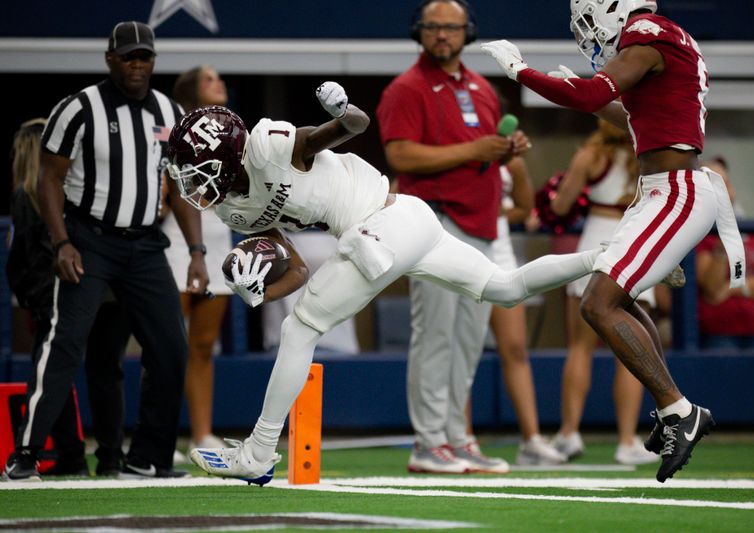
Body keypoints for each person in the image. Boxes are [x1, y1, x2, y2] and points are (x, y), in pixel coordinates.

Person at [168, 82, 602, 485]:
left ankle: (260, 451)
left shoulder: (269, 147)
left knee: (299, 330)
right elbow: (297, 270)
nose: (192, 182)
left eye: (197, 168)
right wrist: (258, 292)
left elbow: (353, 126)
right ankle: (605, 257)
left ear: (226, 154)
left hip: (380, 227)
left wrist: (342, 110)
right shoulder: (231, 209)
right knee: (504, 288)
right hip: (405, 223)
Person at [482, 1, 747, 482]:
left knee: (597, 304)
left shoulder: (646, 30)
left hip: (675, 191)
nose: (588, 32)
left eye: (589, 18)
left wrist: (522, 72)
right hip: (661, 191)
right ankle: (673, 411)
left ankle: (679, 410)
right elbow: (625, 114)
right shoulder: (663, 38)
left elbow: (588, 97)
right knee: (614, 298)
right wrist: (570, 88)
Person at [2, 21, 209, 482]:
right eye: (128, 56)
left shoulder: (168, 110)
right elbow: (48, 179)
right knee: (64, 344)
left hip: (144, 245)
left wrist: (197, 251)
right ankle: (27, 454)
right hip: (89, 240)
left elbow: (179, 186)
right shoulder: (78, 108)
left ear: (154, 61)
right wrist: (62, 242)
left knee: (171, 347)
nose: (137, 65)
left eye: (145, 57)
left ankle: (146, 457)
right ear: (110, 59)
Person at [375, 0, 531, 474]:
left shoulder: (482, 87)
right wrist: (475, 149)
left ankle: (457, 439)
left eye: (452, 27)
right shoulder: (407, 88)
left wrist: (506, 152)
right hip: (434, 224)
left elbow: (480, 158)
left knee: (467, 338)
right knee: (435, 334)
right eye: (434, 27)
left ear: (468, 32)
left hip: (481, 224)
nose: (442, 35)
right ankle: (427, 443)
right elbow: (400, 157)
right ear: (419, 33)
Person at [5, 119, 133, 478]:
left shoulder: (29, 193)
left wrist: (32, 300)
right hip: (110, 292)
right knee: (107, 374)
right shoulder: (86, 189)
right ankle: (111, 458)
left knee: (53, 372)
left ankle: (69, 454)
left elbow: (25, 259)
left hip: (60, 294)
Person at [543, 120, 659, 465]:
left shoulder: (590, 154)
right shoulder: (650, 154)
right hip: (636, 245)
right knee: (634, 348)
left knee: (580, 347)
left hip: (596, 241)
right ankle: (627, 440)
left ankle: (568, 433)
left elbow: (560, 207)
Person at [466, 157, 567, 466]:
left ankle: (531, 441)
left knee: (516, 349)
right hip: (462, 253)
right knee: (460, 353)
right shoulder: (457, 149)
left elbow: (525, 209)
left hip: (502, 258)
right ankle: (462, 440)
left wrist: (495, 213)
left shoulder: (514, 162)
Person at [164, 65, 234, 456]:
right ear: (191, 90)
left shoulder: (234, 132)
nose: (219, 83)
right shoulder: (172, 130)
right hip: (175, 242)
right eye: (210, 79)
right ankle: (160, 432)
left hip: (218, 240)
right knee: (167, 344)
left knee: (204, 345)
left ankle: (202, 434)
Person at [696, 157, 754, 351]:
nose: (726, 190)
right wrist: (722, 244)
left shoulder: (748, 227)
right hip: (719, 333)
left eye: (727, 182)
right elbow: (713, 289)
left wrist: (733, 289)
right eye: (717, 184)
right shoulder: (699, 232)